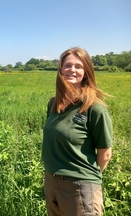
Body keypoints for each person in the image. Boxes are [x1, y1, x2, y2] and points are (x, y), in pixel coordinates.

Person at [42, 47, 113, 216]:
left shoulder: (95, 109)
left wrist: (84, 180)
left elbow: (105, 153)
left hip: (80, 186)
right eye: (67, 65)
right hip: (52, 182)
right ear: (60, 69)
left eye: (78, 66)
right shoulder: (53, 104)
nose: (72, 70)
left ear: (86, 72)